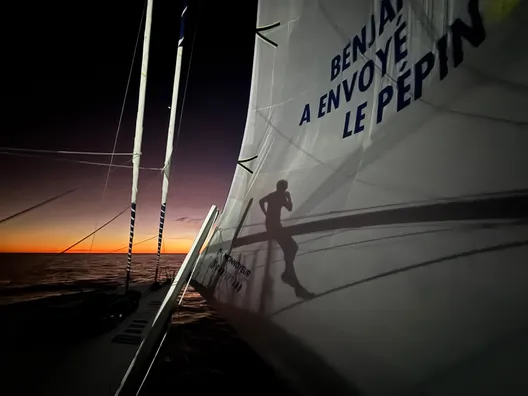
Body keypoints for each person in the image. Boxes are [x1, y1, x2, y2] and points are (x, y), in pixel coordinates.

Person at [259, 180, 314, 299]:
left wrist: (265, 213)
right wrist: (289, 197)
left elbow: (260, 201)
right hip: (275, 227)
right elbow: (289, 208)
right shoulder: (281, 196)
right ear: (285, 188)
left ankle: (291, 277)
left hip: (271, 225)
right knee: (292, 247)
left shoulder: (272, 195)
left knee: (288, 249)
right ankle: (289, 275)